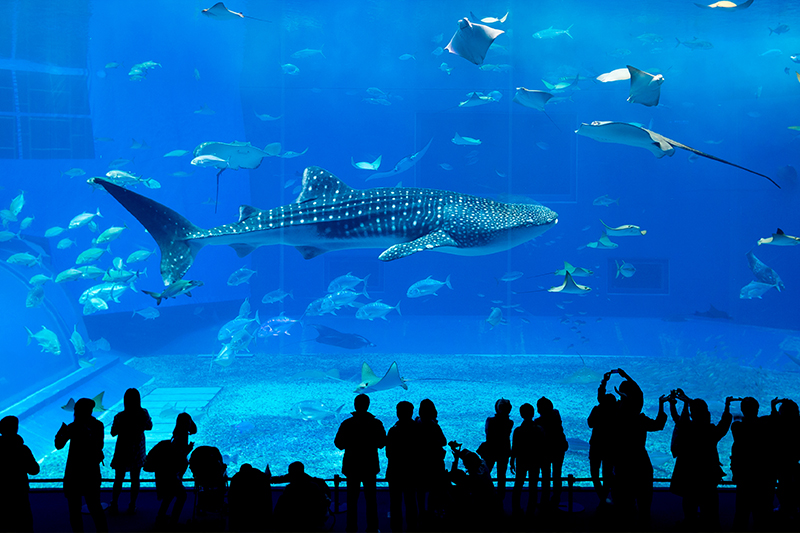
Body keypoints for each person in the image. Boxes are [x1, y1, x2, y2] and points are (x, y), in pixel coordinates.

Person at [611, 368, 667, 530]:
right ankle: (644, 520)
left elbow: (636, 395)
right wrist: (661, 406)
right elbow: (659, 424)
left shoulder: (617, 416)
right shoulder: (639, 419)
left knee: (623, 496)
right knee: (644, 495)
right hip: (640, 460)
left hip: (622, 460)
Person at [669, 390, 733, 531]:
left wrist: (683, 403)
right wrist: (727, 407)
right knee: (710, 507)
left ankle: (689, 523)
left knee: (689, 503)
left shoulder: (687, 429)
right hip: (707, 476)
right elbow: (724, 425)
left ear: (692, 414)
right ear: (707, 414)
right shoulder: (710, 432)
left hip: (688, 475)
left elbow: (678, 418)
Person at [54, 397, 108, 532]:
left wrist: (60, 433)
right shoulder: (98, 426)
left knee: (74, 509)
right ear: (90, 411)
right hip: (91, 471)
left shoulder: (72, 427)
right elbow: (99, 445)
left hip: (74, 472)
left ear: (76, 412)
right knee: (95, 506)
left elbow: (58, 445)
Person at [334, 393, 386, 532]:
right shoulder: (376, 423)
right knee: (371, 500)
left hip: (352, 466)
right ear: (368, 405)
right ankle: (373, 528)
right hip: (369, 466)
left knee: (352, 500)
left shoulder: (347, 423)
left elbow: (338, 443)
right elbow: (382, 443)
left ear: (355, 406)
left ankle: (351, 528)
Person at [730, 397, 773, 531]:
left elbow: (737, 422)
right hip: (763, 477)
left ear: (743, 410)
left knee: (741, 514)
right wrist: (773, 407)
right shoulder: (765, 424)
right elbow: (772, 419)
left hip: (744, 478)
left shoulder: (737, 427)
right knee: (762, 516)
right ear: (757, 409)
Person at [109, 388, 153, 515]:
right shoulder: (143, 413)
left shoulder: (120, 416)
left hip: (122, 450)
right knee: (135, 479)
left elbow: (113, 432)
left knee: (119, 479)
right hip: (137, 451)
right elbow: (149, 426)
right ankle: (132, 505)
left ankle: (114, 503)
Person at [155, 412, 197, 526]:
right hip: (172, 472)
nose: (189, 424)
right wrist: (188, 450)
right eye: (187, 422)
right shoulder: (180, 436)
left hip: (170, 471)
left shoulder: (179, 434)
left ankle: (160, 516)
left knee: (169, 494)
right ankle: (173, 522)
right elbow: (177, 455)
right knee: (182, 496)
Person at [0, 415, 39, 532]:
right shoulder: (22, 449)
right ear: (16, 429)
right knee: (24, 523)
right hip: (19, 491)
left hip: (2, 492)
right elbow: (34, 470)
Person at [447, 441, 497, 531]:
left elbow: (453, 475)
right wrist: (457, 450)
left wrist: (456, 460)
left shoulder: (474, 479)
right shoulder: (483, 465)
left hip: (482, 508)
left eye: (466, 464)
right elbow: (469, 457)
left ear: (469, 465)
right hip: (492, 504)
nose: (465, 466)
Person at [386, 401, 419, 532]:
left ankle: (396, 529)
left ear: (398, 413)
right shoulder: (417, 429)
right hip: (412, 472)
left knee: (395, 504)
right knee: (411, 502)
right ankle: (413, 528)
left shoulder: (393, 431)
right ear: (411, 413)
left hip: (395, 472)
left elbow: (389, 453)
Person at [272, 461, 331, 532]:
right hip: (313, 520)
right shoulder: (316, 484)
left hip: (296, 521)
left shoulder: (290, 489)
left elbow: (279, 509)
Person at [415, 398, 447, 525]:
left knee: (420, 490)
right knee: (434, 490)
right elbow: (443, 441)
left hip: (419, 463)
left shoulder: (416, 423)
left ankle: (422, 512)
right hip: (433, 463)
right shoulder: (433, 426)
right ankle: (431, 512)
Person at [510, 403, 545, 518]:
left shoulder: (518, 431)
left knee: (518, 484)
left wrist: (512, 461)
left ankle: (515, 509)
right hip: (535, 460)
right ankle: (530, 511)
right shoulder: (539, 429)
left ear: (521, 414)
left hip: (521, 460)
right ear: (533, 413)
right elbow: (541, 447)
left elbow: (514, 448)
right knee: (533, 486)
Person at [769, 397, 800, 523]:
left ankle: (785, 510)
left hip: (780, 463)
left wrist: (773, 407)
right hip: (794, 462)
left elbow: (776, 421)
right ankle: (793, 510)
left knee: (783, 486)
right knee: (793, 486)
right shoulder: (797, 423)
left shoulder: (779, 424)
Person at [534, 396, 568, 511]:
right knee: (557, 474)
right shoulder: (556, 416)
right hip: (558, 449)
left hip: (546, 452)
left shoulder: (538, 422)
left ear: (539, 410)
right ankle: (556, 499)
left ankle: (544, 501)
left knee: (545, 476)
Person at [588, 372, 617, 506]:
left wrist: (604, 382)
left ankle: (602, 496)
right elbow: (601, 398)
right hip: (611, 447)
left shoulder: (599, 409)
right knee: (608, 473)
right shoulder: (616, 412)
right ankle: (605, 495)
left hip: (596, 445)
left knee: (594, 472)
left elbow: (590, 423)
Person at [481, 398, 514, 504]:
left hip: (491, 450)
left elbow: (488, 433)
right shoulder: (510, 422)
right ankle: (500, 498)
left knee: (485, 472)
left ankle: (483, 495)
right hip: (503, 451)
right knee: (501, 475)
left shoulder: (490, 420)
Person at [228, 463, 272, 532]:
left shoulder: (236, 477)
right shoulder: (260, 476)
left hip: (241, 513)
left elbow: (231, 496)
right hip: (259, 512)